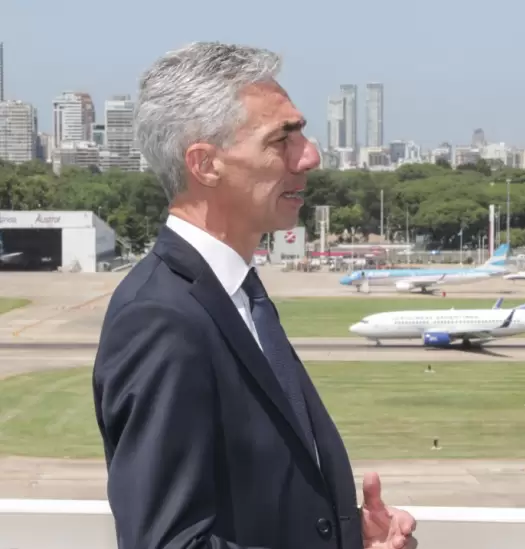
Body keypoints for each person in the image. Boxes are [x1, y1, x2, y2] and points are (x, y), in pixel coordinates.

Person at [92, 41, 417, 549]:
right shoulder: (162, 318)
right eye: (281, 140)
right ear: (205, 164)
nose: (310, 156)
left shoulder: (238, 295)